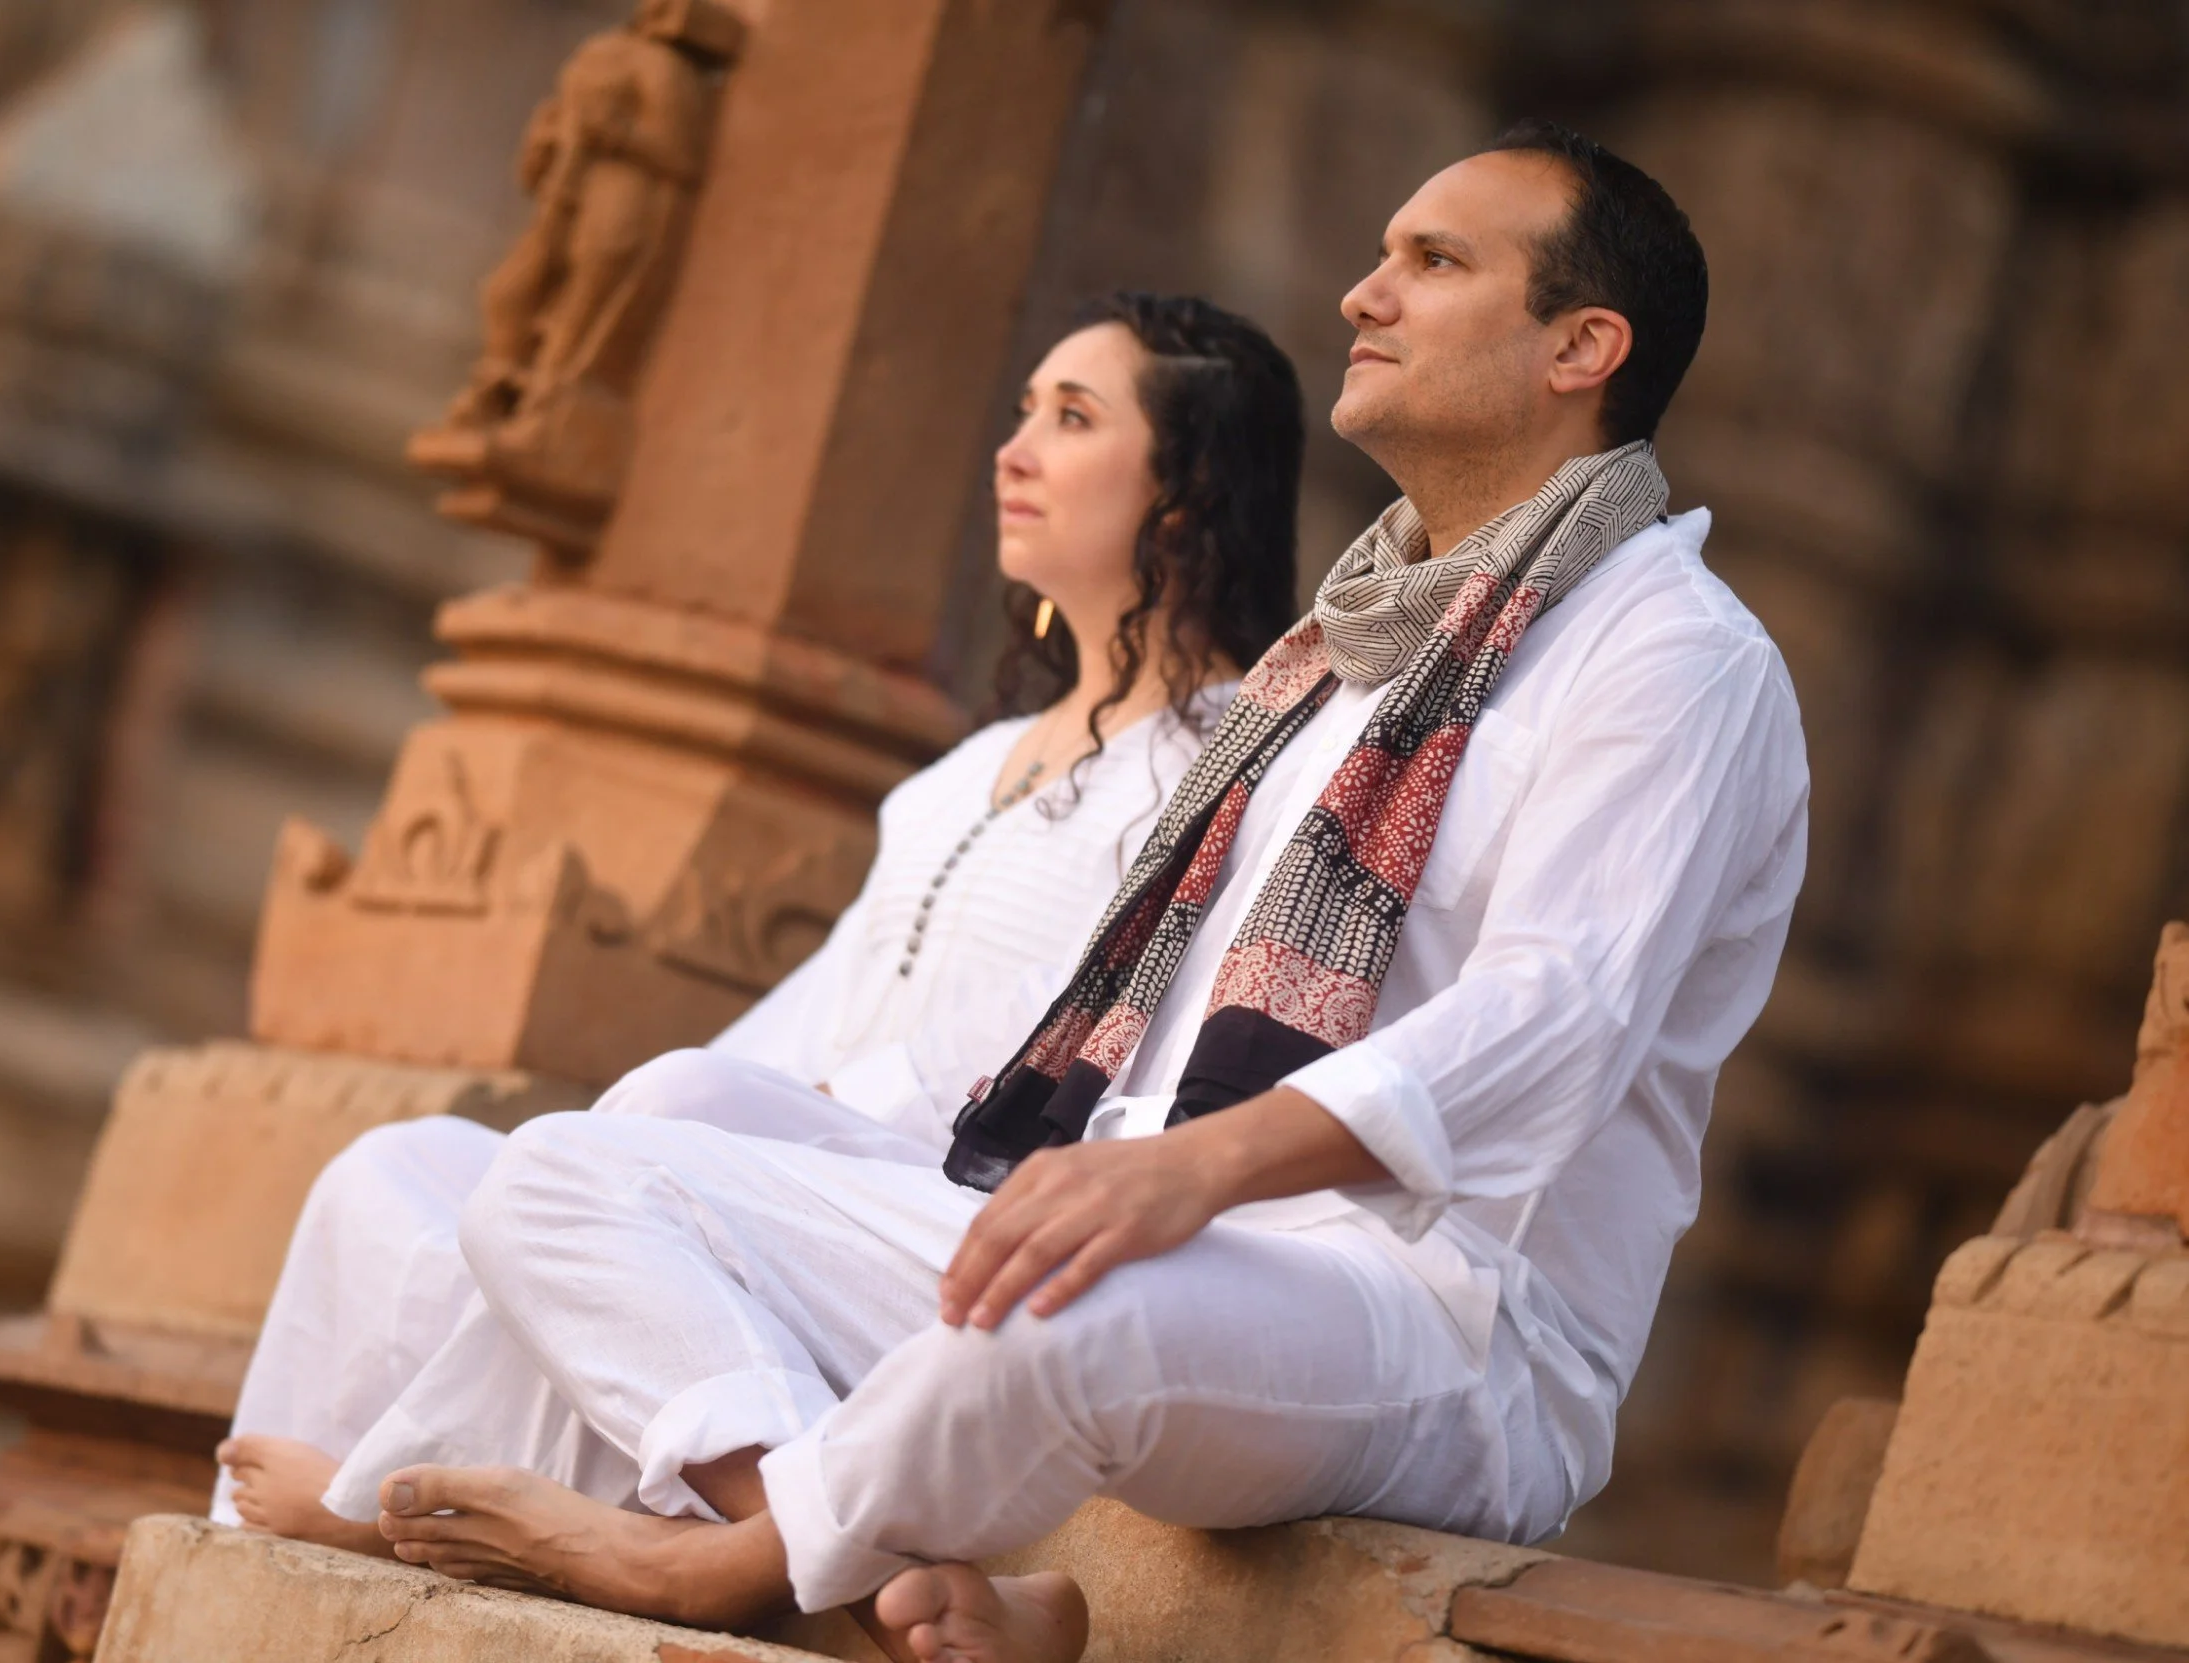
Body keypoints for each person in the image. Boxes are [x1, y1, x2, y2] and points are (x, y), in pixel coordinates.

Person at [340, 119, 1809, 1663]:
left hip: (1435, 1318)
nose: (1359, 298)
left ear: (1582, 344)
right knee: (593, 1158)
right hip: (1167, 1233)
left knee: (1050, 1307)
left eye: (1431, 262)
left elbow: (1552, 1017)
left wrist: (1185, 1173)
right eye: (1379, 256)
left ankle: (720, 1567)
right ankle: (851, 1571)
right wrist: (1084, 1164)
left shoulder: (1673, 654)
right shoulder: (1343, 650)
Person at [212, 292, 1309, 1548]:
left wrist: (764, 1117)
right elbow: (789, 1032)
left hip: (952, 1201)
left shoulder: (1230, 766)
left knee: (677, 1107)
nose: (1013, 453)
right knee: (395, 1167)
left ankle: (378, 1510)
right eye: (1021, 414)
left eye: (1072, 418)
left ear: (1186, 489)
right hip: (771, 1156)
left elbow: (1101, 1044)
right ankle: (387, 1504)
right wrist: (661, 1130)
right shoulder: (966, 772)